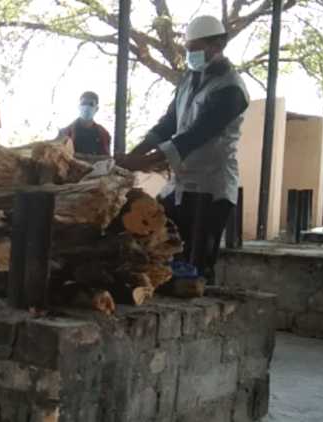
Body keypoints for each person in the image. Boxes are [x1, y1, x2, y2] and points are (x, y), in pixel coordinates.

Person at [117, 16, 249, 290]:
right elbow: (168, 124)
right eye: (188, 48)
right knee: (162, 250)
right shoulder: (189, 80)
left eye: (196, 48)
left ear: (218, 44)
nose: (190, 54)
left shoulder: (231, 89)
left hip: (211, 187)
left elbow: (196, 136)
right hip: (180, 183)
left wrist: (144, 162)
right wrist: (132, 154)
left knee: (197, 264)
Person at [59, 91, 111, 155]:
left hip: (95, 165)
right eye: (83, 103)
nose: (86, 107)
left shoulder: (103, 134)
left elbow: (106, 158)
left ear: (96, 109)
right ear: (79, 106)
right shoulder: (65, 133)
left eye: (91, 104)